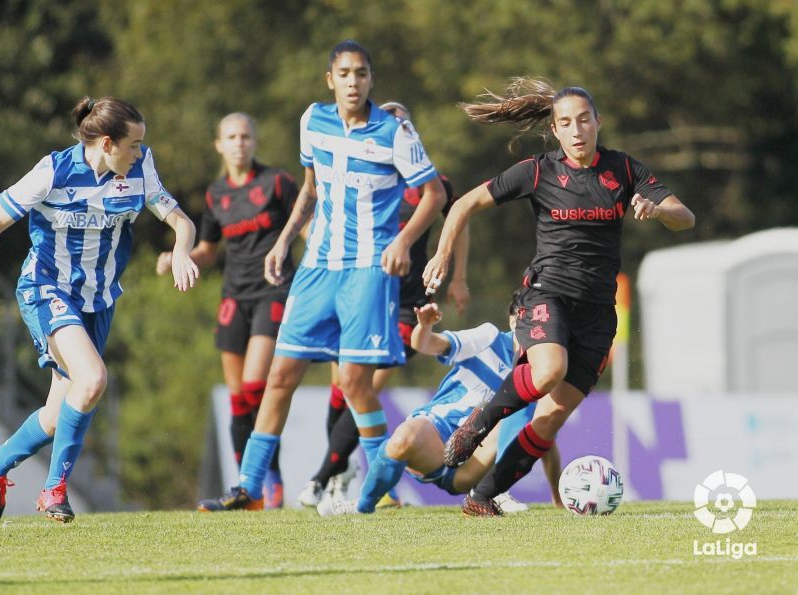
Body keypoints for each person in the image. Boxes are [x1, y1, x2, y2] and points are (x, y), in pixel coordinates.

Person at [424, 77, 695, 516]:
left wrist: (659, 209)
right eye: (566, 122)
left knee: (548, 422)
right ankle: (481, 420)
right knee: (549, 369)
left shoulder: (624, 171)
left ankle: (480, 498)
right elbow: (464, 205)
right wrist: (441, 253)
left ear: (598, 122)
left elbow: (686, 217)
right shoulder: (539, 170)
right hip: (546, 294)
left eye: (584, 120)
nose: (576, 130)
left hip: (597, 313)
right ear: (555, 130)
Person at [198, 40, 446, 512]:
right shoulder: (313, 120)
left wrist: (402, 242)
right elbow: (309, 189)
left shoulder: (394, 131)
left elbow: (432, 194)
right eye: (345, 73)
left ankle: (382, 485)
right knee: (280, 376)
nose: (354, 82)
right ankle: (248, 488)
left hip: (368, 272)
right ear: (330, 79)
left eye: (362, 73)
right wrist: (284, 238)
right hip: (317, 269)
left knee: (354, 384)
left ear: (371, 80)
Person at [0, 96, 199, 524]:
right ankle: (54, 491)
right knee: (93, 378)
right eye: (133, 145)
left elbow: (181, 221)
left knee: (58, 416)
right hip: (47, 289)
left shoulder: (140, 168)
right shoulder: (54, 171)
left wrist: (182, 251)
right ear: (108, 144)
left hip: (99, 301)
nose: (140, 153)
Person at [297, 101, 471, 509]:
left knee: (366, 385)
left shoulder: (432, 183)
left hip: (410, 305)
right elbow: (315, 212)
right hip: (358, 294)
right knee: (343, 391)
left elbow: (458, 221)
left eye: (403, 123)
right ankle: (350, 475)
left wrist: (457, 275)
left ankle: (321, 478)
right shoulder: (356, 176)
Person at [156, 113, 298, 509]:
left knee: (256, 386)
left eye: (246, 136)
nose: (239, 142)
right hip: (234, 296)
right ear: (219, 145)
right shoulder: (216, 193)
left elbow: (305, 224)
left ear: (255, 141)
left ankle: (270, 476)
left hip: (274, 291)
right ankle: (245, 490)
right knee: (238, 398)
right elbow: (208, 249)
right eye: (231, 137)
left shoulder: (277, 182)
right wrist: (177, 255)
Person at [317, 299, 563, 516]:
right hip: (437, 437)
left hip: (474, 464)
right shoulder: (488, 338)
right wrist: (424, 326)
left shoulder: (543, 369)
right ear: (513, 321)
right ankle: (363, 506)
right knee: (403, 438)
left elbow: (542, 436)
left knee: (523, 409)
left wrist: (557, 496)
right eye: (524, 319)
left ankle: (496, 491)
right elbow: (426, 344)